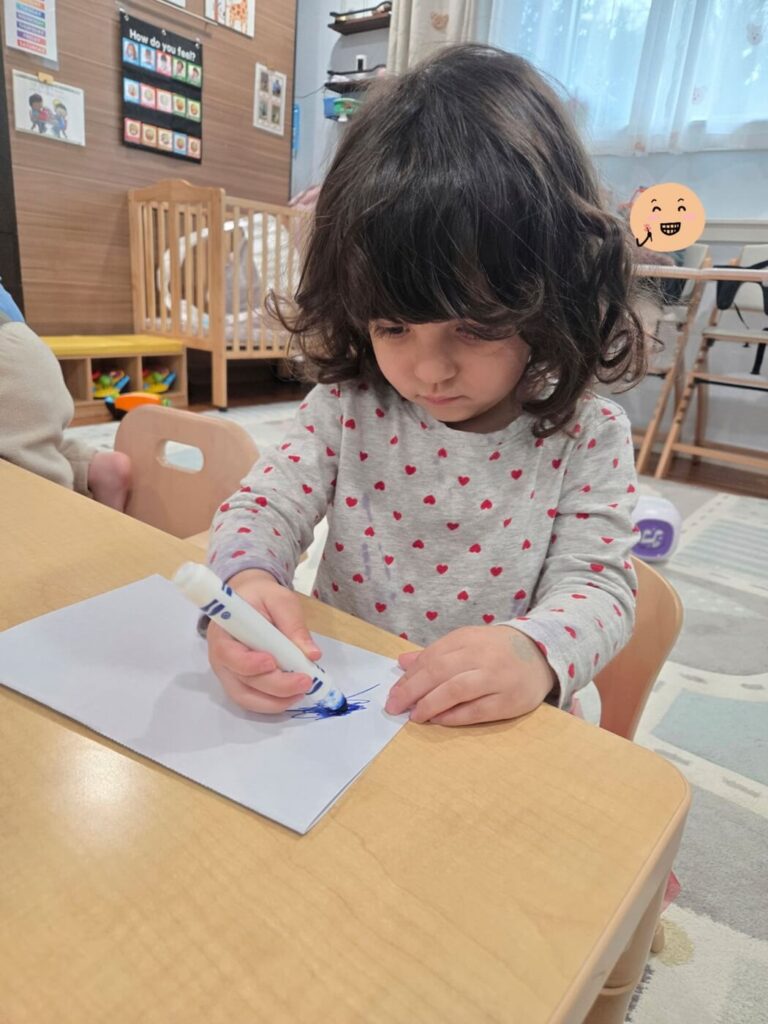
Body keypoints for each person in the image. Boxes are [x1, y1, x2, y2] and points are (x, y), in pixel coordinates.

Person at [205, 44, 647, 725]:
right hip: (356, 701)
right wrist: (248, 583)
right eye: (392, 328)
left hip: (507, 723)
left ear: (549, 296)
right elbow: (261, 508)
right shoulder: (347, 407)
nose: (429, 369)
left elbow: (602, 588)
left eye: (474, 329)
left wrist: (535, 653)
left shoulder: (587, 435)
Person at [0, 282, 132, 510]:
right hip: (27, 343)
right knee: (36, 443)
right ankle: (92, 468)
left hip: (7, 357)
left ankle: (64, 521)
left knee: (25, 486)